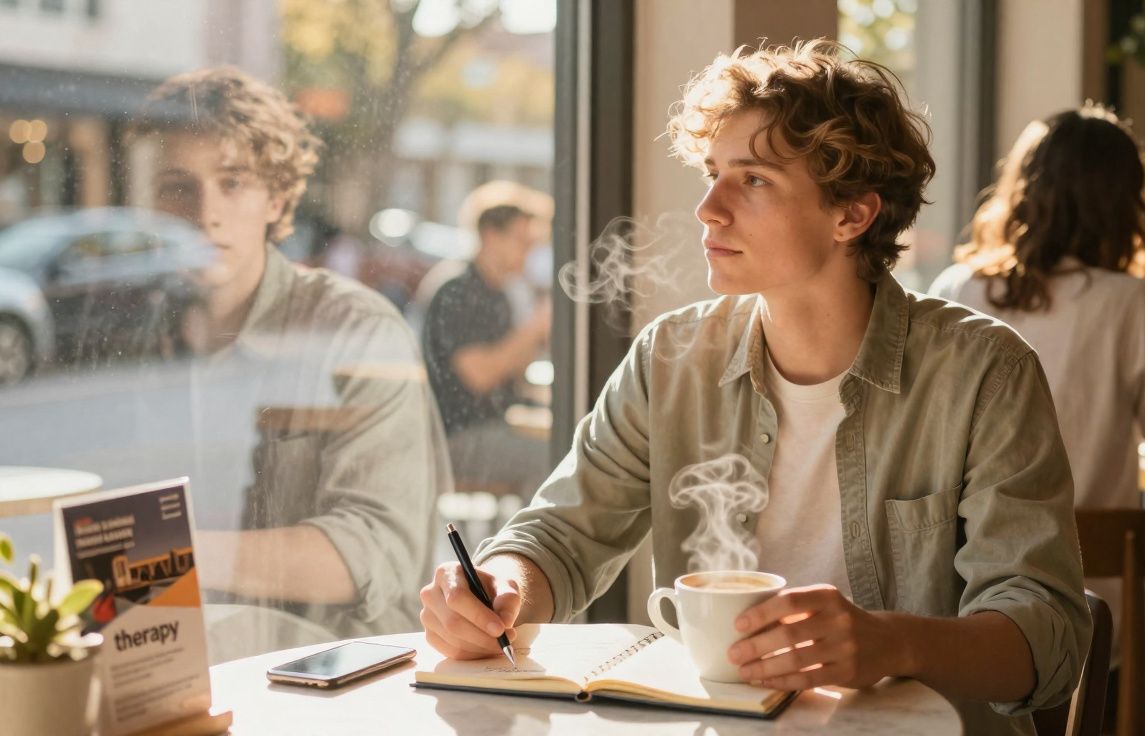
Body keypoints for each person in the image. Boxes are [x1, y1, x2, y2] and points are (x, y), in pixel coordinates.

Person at [420, 40, 1090, 735]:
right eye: (712, 174)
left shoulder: (984, 372)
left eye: (754, 179)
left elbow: (1046, 639)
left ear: (852, 216)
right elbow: (560, 536)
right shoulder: (672, 358)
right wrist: (499, 584)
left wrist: (893, 643)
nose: (709, 207)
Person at [134, 67, 450, 660]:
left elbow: (374, 549)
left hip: (342, 670)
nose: (205, 213)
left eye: (232, 183)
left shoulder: (356, 330)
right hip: (193, 656)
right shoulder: (148, 336)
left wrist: (172, 556)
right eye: (179, 186)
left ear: (276, 197)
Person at [930, 105, 1145, 729]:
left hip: (964, 632)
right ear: (1127, 204)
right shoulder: (1138, 306)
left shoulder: (956, 293)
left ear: (1020, 191)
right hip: (1092, 639)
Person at [421, 189, 551, 499]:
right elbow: (479, 376)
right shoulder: (457, 292)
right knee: (552, 459)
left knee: (571, 443)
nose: (529, 252)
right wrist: (536, 327)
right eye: (523, 242)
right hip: (454, 438)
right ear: (491, 236)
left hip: (489, 428)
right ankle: (532, 546)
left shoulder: (500, 295)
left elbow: (512, 368)